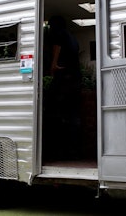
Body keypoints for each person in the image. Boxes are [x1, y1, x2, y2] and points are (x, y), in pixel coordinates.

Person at [47, 15, 83, 159]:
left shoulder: (59, 34)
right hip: (75, 79)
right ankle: (75, 150)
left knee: (58, 114)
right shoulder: (72, 37)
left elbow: (57, 48)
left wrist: (53, 65)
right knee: (73, 115)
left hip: (65, 79)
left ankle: (61, 151)